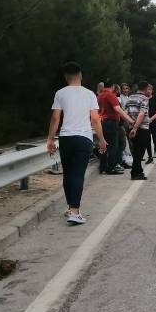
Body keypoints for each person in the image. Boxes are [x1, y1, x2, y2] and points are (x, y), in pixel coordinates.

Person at [46, 62, 106, 225]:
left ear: (66, 77)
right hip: (83, 138)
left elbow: (55, 118)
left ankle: (70, 207)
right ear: (80, 75)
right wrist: (101, 140)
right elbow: (95, 119)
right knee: (78, 174)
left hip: (66, 138)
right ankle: (74, 211)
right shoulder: (90, 94)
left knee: (68, 173)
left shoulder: (60, 93)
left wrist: (50, 139)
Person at [97, 81, 132, 175]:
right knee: (113, 146)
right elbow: (118, 109)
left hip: (102, 122)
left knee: (103, 144)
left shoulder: (100, 95)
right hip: (111, 122)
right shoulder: (111, 95)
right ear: (112, 86)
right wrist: (130, 120)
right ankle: (111, 168)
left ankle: (103, 167)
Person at [124, 81, 151, 180]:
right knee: (140, 152)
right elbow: (142, 113)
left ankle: (138, 171)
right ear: (146, 88)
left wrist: (131, 123)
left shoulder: (130, 98)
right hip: (142, 128)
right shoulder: (145, 99)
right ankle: (135, 173)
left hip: (131, 127)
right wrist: (135, 127)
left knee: (136, 150)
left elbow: (125, 113)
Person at [145, 84, 156, 165]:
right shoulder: (143, 99)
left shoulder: (155, 99)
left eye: (149, 89)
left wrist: (151, 119)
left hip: (154, 122)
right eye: (147, 89)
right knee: (147, 140)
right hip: (144, 123)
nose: (148, 91)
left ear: (152, 90)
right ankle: (150, 157)